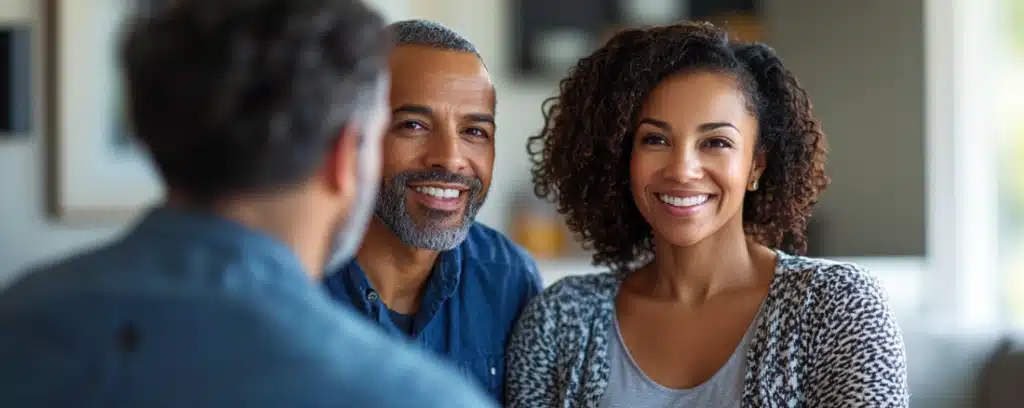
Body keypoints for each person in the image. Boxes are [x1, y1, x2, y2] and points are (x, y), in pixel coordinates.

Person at [0, 1, 498, 407]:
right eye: (406, 125)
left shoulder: (19, 321)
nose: (450, 157)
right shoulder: (415, 396)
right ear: (347, 154)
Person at [506, 21, 909, 407]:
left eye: (715, 142)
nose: (682, 169)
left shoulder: (837, 306)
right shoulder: (559, 321)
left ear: (756, 166)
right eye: (655, 139)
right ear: (621, 159)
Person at [322, 19, 543, 401]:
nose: (450, 159)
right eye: (413, 125)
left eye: (474, 131)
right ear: (352, 136)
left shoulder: (508, 279)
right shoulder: (295, 278)